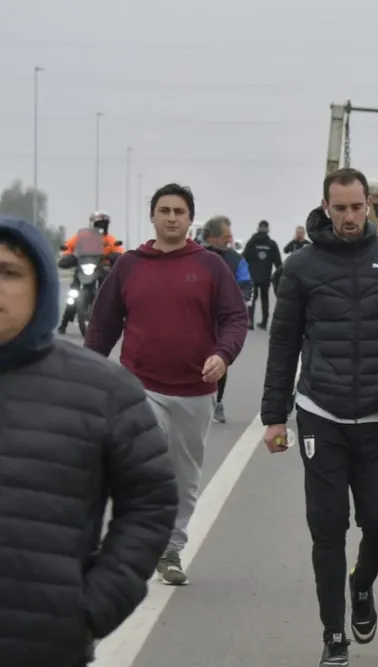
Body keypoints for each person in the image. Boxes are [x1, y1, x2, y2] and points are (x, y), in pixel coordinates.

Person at [260, 167, 378, 666]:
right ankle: (334, 636)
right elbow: (284, 343)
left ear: (369, 205)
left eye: (357, 207)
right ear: (326, 207)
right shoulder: (301, 267)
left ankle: (362, 586)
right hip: (321, 413)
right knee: (328, 528)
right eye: (340, 209)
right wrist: (275, 416)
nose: (349, 216)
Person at [0, 216, 178, 667]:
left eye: (8, 272)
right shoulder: (78, 240)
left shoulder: (104, 390)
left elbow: (151, 503)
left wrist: (91, 609)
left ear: (39, 285)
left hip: (42, 645)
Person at [83, 183, 250, 587]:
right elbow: (103, 325)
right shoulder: (130, 265)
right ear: (152, 216)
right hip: (140, 385)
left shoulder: (210, 266)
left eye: (179, 211)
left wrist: (223, 354)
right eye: (165, 210)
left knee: (184, 476)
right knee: (144, 462)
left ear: (190, 219)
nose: (172, 217)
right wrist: (85, 373)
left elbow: (235, 318)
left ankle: (170, 549)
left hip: (195, 391)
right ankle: (133, 539)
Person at [201, 214, 254, 424]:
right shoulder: (194, 254)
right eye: (225, 236)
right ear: (211, 237)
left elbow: (246, 284)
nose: (229, 239)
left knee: (219, 361)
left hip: (223, 322)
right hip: (196, 318)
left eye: (230, 235)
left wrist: (238, 302)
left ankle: (218, 401)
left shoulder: (236, 260)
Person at [57, 210, 124, 334]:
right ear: (92, 224)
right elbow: (69, 246)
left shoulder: (109, 239)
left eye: (104, 224)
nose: (101, 227)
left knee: (110, 288)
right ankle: (64, 324)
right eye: (99, 224)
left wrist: (116, 255)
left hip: (100, 268)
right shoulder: (82, 237)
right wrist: (68, 254)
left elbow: (118, 249)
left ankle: (113, 318)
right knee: (73, 294)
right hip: (82, 267)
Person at [242, 219, 282, 329]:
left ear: (258, 229)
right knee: (265, 299)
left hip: (252, 276)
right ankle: (264, 322)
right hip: (266, 276)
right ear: (268, 230)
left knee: (252, 299)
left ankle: (250, 322)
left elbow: (243, 258)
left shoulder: (251, 243)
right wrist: (280, 276)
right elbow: (278, 262)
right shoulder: (272, 244)